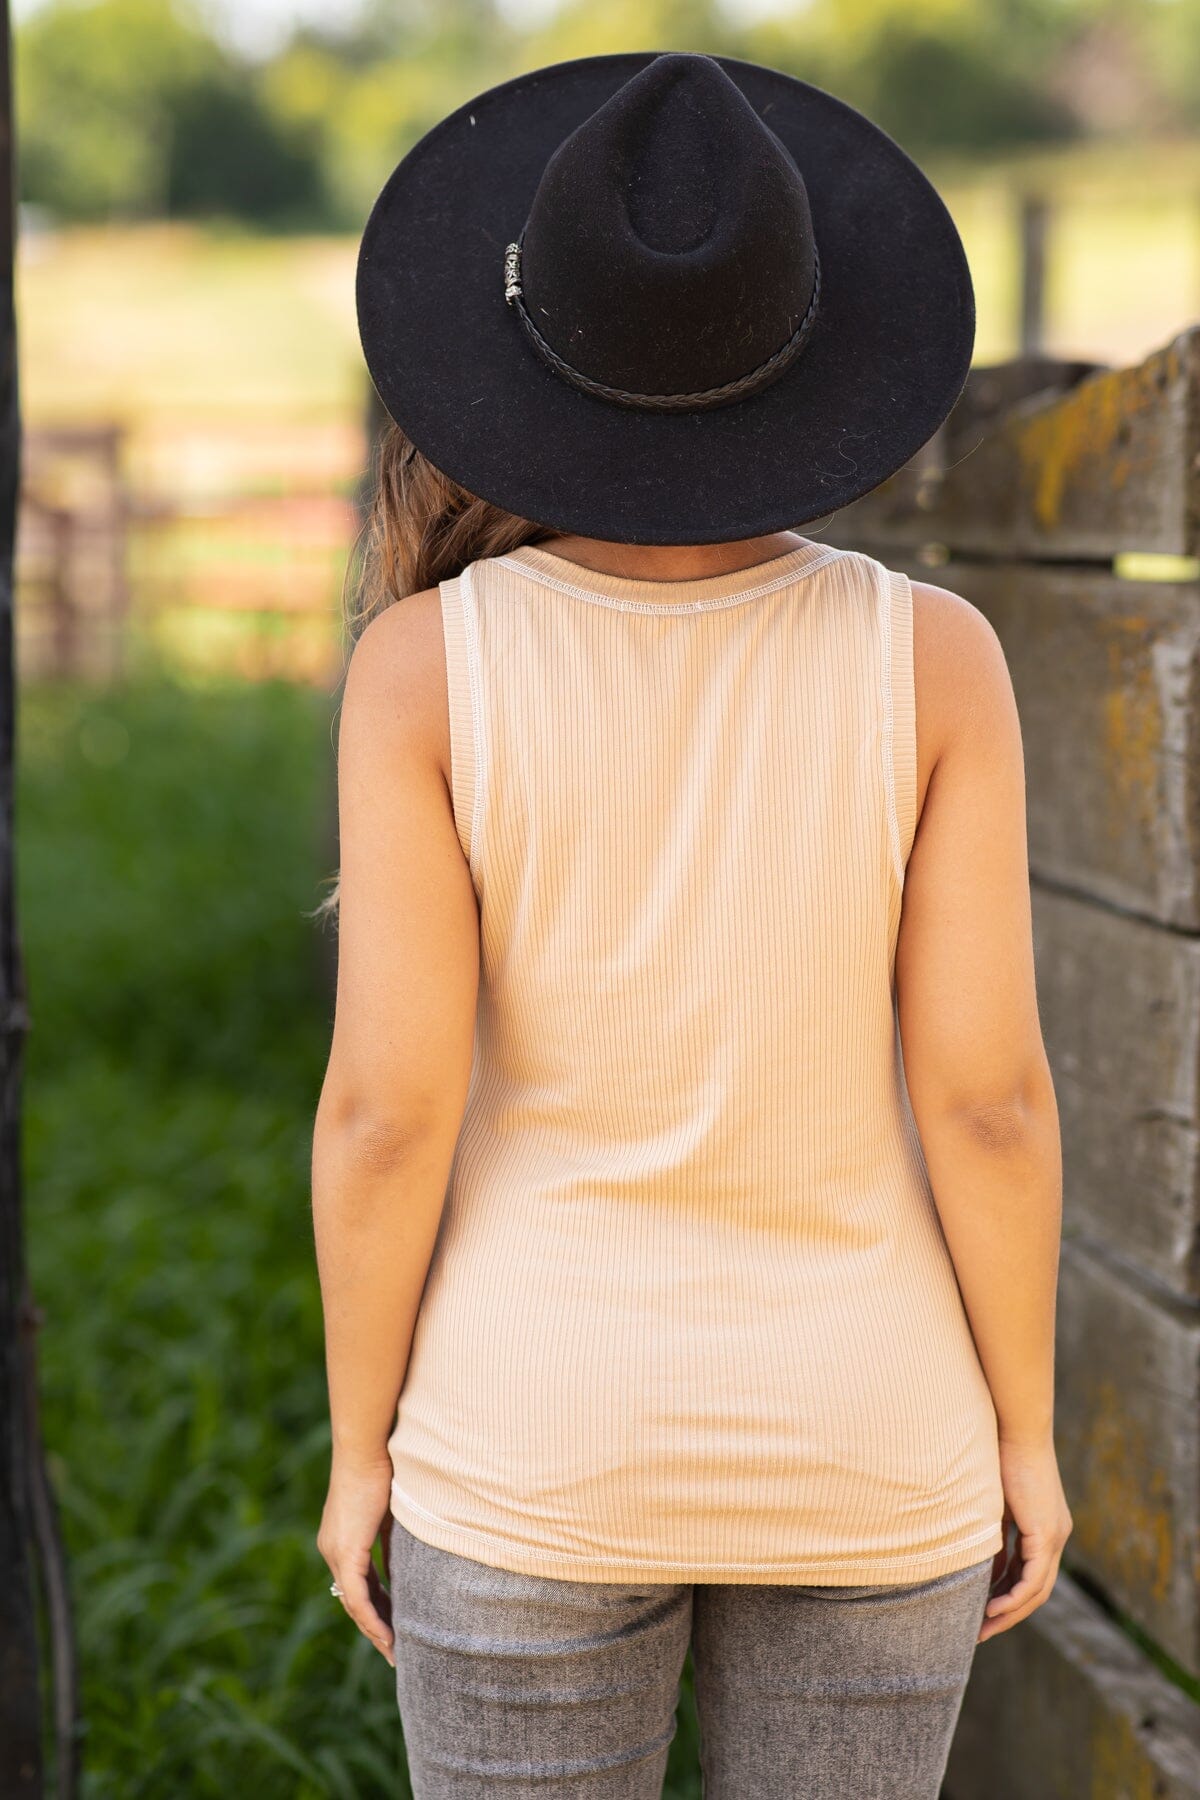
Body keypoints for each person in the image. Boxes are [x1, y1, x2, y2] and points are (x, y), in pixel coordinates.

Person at [311, 50, 1071, 1800]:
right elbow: (989, 1101)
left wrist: (364, 1452)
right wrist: (1023, 1435)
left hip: (528, 1457)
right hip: (877, 1453)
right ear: (802, 352)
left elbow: (387, 1113)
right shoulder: (931, 655)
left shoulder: (427, 669)